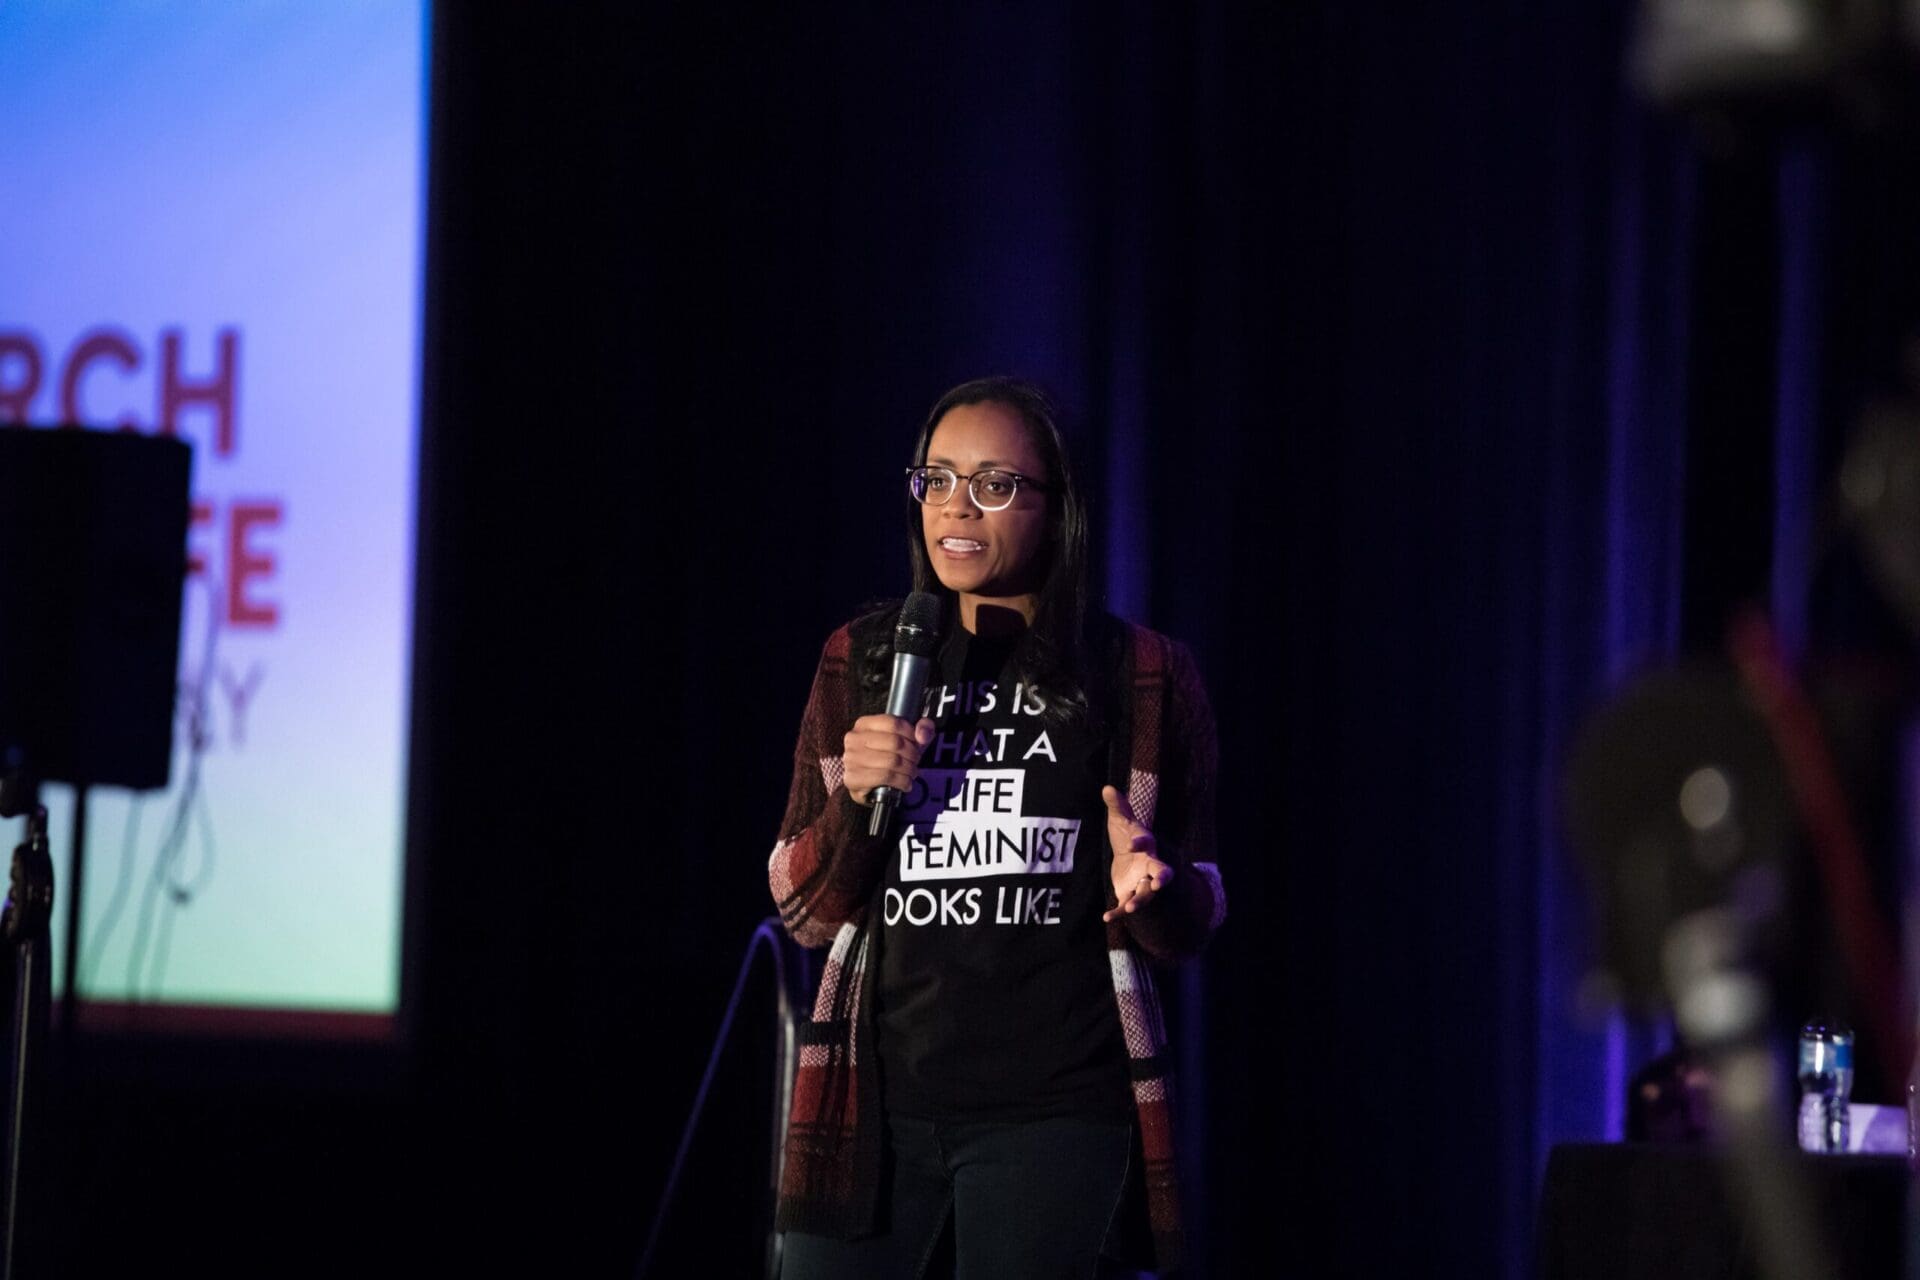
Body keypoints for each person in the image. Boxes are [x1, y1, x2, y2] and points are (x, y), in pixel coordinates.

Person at [768, 377, 1225, 1278]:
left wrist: (1156, 884)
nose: (957, 507)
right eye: (936, 479)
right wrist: (855, 803)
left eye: (995, 483)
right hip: (871, 1112)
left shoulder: (1140, 673)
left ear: (1059, 509)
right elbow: (803, 911)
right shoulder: (863, 660)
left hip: (1056, 1116)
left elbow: (1198, 913)